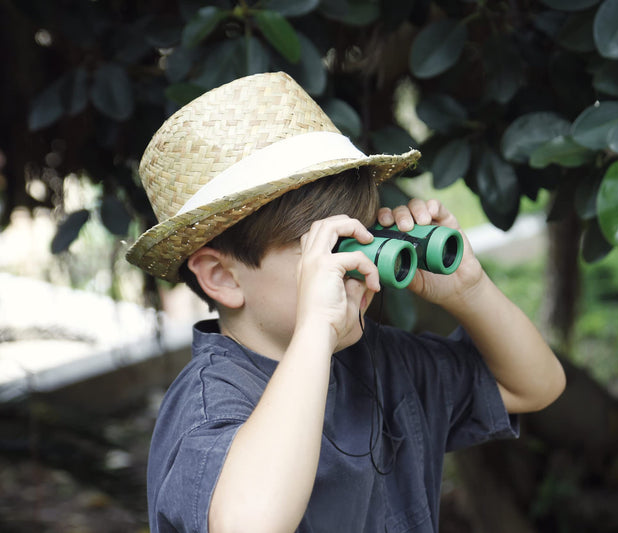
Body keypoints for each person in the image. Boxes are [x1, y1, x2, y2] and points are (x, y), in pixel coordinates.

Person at [126, 71, 565, 533]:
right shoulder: (209, 406)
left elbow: (536, 386)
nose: (357, 266)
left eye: (360, 236)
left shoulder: (382, 362)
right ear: (221, 277)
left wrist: (469, 292)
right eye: (323, 246)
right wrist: (315, 331)